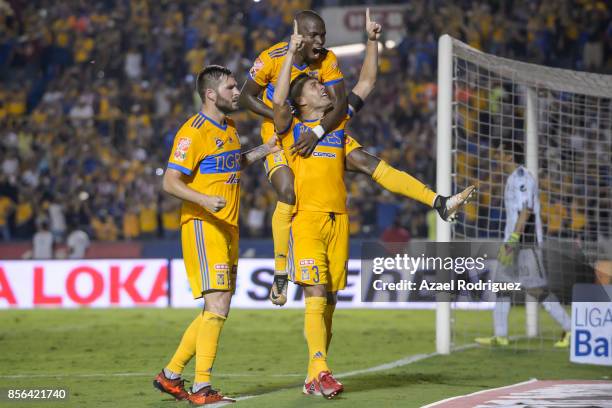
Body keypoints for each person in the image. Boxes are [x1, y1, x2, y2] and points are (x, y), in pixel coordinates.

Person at [271, 16, 474, 399]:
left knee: (328, 301)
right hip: (307, 222)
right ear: (302, 102)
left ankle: (316, 372)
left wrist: (371, 41)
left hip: (339, 223)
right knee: (315, 294)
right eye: (317, 85)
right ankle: (322, 369)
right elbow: (279, 102)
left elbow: (367, 91)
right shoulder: (289, 129)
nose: (324, 87)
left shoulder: (338, 132)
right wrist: (291, 54)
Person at [247, 10, 474, 306]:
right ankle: (280, 274)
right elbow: (256, 99)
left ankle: (438, 202)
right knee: (287, 191)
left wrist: (371, 42)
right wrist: (284, 114)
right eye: (313, 35)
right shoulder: (276, 75)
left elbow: (362, 86)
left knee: (368, 163)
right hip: (280, 136)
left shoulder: (331, 96)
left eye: (323, 35)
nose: (320, 41)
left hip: (320, 133)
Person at [153, 65, 278, 405]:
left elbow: (233, 162)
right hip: (202, 223)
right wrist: (204, 199)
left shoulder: (230, 127)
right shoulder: (192, 132)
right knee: (218, 303)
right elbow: (170, 181)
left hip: (227, 227)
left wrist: (265, 150)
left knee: (217, 307)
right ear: (211, 94)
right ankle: (201, 388)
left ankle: (171, 375)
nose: (238, 92)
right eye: (231, 87)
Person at [475, 143, 571, 348]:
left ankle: (571, 329)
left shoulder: (522, 177)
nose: (496, 157)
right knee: (502, 286)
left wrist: (512, 241)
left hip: (525, 243)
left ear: (509, 156)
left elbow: (526, 212)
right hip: (513, 241)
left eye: (499, 153)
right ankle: (500, 336)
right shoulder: (512, 178)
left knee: (536, 289)